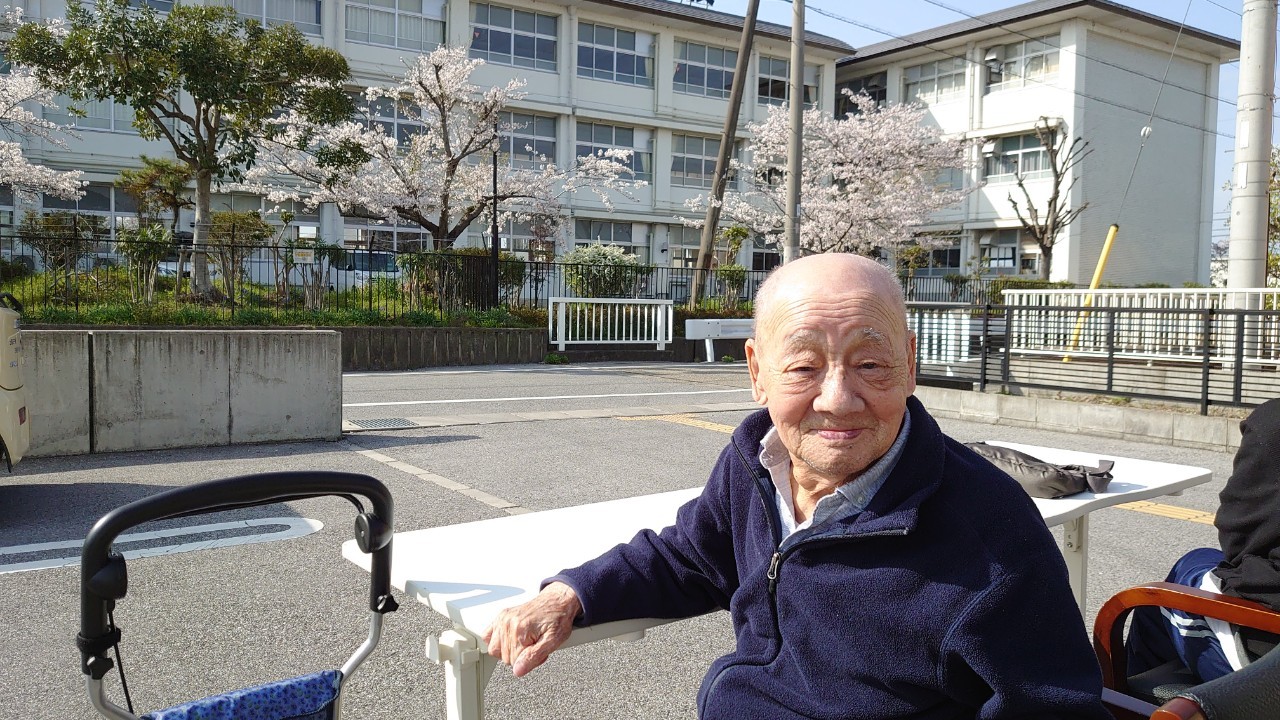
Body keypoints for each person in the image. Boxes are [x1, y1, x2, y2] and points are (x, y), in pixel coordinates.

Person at [484, 253, 1110, 719]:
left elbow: (1056, 707)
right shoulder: (755, 461)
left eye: (870, 364)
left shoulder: (993, 534)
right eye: (804, 366)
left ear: (910, 365)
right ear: (758, 372)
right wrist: (570, 593)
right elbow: (691, 555)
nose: (837, 399)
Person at [1126, 398, 1280, 683]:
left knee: (1159, 597)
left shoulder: (1273, 424)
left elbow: (1239, 537)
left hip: (1265, 660)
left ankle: (1130, 700)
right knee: (1201, 559)